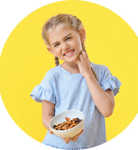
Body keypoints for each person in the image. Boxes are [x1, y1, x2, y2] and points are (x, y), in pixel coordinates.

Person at [30, 13, 122, 150]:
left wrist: (87, 74)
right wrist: (59, 131)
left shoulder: (102, 72)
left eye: (68, 38)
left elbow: (107, 110)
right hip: (57, 146)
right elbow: (47, 116)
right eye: (57, 44)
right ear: (52, 50)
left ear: (81, 35)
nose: (65, 46)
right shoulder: (52, 77)